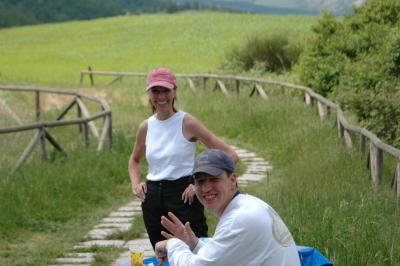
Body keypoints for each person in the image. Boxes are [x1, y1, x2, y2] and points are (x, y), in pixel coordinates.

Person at [128, 68, 239, 249]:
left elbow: (231, 155)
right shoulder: (145, 127)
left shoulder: (187, 122)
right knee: (162, 253)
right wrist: (135, 183)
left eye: (166, 90)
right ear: (149, 94)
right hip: (152, 198)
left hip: (184, 196)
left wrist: (199, 185)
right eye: (156, 91)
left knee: (196, 253)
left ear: (174, 92)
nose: (161, 96)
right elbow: (134, 160)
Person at [155, 149, 301, 266]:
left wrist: (173, 245)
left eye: (214, 179)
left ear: (232, 180)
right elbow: (223, 256)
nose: (206, 188)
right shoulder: (248, 204)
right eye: (200, 181)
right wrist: (193, 244)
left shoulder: (238, 220)